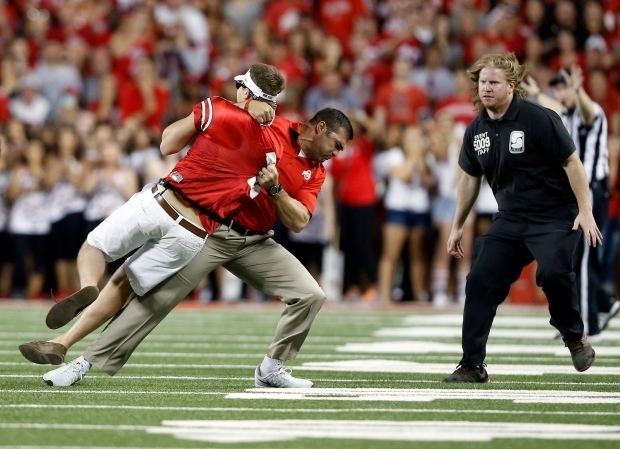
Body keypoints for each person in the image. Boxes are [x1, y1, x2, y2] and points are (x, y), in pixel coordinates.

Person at [25, 107, 353, 389]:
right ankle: (82, 363)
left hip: (256, 240)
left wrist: (277, 190)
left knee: (311, 295)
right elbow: (232, 121)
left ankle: (271, 370)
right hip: (211, 229)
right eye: (335, 144)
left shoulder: (316, 172)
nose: (335, 153)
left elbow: (298, 221)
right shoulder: (271, 127)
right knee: (154, 300)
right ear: (320, 128)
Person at [19, 63, 284, 356]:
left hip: (163, 202)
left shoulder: (218, 109)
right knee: (122, 286)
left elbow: (167, 144)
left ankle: (88, 284)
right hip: (196, 232)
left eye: (239, 86)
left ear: (246, 90)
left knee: (93, 247)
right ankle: (62, 343)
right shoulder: (274, 146)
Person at [443, 53, 602, 383]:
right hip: (511, 219)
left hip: (556, 216)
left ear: (511, 86)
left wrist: (586, 211)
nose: (486, 88)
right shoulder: (477, 131)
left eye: (493, 83)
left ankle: (573, 335)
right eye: (482, 82)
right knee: (480, 281)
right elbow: (470, 178)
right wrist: (458, 225)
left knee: (555, 273)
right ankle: (472, 363)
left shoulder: (539, 119)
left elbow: (573, 163)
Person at [522, 66, 618, 336]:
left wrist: (577, 90)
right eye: (560, 89)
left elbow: (587, 112)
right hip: (578, 194)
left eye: (564, 88)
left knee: (583, 260)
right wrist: (539, 94)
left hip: (593, 193)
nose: (561, 94)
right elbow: (558, 105)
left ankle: (586, 322)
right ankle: (599, 306)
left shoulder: (592, 111)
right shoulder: (568, 113)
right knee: (574, 258)